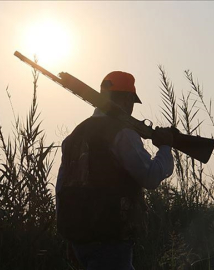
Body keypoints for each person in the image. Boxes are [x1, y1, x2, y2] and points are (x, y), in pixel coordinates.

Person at [55, 71, 174, 270]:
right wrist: (165, 147)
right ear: (127, 100)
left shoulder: (74, 136)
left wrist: (70, 238)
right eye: (131, 102)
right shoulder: (122, 133)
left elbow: (62, 189)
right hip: (111, 236)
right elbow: (151, 177)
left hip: (80, 239)